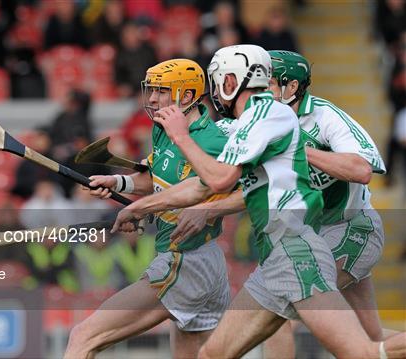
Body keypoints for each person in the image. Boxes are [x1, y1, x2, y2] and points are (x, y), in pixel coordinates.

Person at [111, 44, 406, 358]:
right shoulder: (247, 122)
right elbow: (199, 186)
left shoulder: (271, 115)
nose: (213, 92)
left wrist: (182, 137)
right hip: (279, 254)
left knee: (358, 351)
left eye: (218, 81)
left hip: (304, 246)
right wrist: (132, 197)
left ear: (231, 81)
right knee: (213, 354)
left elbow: (220, 180)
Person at [63, 59, 230, 358]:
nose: (152, 98)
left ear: (188, 96)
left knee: (83, 336)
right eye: (151, 89)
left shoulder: (213, 141)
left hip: (186, 261)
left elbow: (195, 190)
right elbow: (154, 177)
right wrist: (117, 182)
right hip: (195, 260)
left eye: (161, 91)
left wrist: (139, 209)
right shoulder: (164, 129)